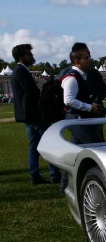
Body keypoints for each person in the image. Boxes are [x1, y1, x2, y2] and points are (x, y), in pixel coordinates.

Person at [10, 44, 60, 185]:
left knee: (34, 145)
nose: (31, 56)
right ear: (21, 57)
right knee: (49, 140)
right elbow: (30, 93)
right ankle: (55, 175)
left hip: (28, 115)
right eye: (28, 54)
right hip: (33, 114)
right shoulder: (21, 71)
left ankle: (35, 176)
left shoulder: (20, 70)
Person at [61, 45, 104, 146]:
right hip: (76, 116)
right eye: (86, 58)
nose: (89, 60)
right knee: (96, 145)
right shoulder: (72, 77)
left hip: (79, 116)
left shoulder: (80, 76)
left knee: (78, 147)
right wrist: (90, 107)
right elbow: (68, 100)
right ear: (77, 61)